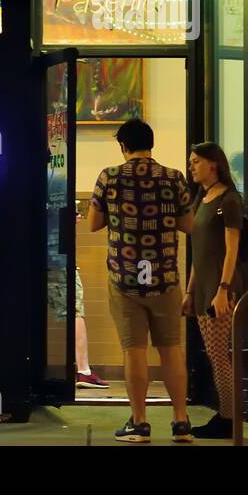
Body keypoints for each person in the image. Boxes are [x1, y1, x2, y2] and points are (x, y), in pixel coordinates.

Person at [88, 118, 194, 443]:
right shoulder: (174, 178)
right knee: (171, 349)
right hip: (164, 276)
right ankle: (180, 422)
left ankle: (139, 422)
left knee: (134, 351)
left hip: (125, 276)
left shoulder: (109, 176)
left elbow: (93, 223)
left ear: (123, 146)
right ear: (152, 144)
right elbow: (188, 225)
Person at [184, 141, 247, 439]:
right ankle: (225, 414)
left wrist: (223, 289)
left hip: (221, 289)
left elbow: (231, 249)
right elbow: (200, 252)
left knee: (220, 355)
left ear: (213, 164)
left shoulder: (230, 200)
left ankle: (229, 417)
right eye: (190, 161)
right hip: (202, 288)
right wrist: (189, 290)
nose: (191, 166)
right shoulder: (201, 198)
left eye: (196, 161)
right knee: (213, 354)